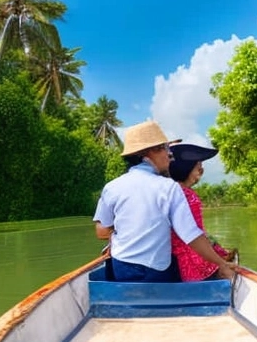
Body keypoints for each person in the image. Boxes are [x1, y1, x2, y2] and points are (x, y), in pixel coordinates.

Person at [93, 120, 236, 282]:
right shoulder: (169, 187)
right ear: (151, 152)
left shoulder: (112, 187)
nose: (169, 155)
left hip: (121, 269)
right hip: (155, 272)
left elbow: (101, 231)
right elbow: (191, 235)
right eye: (166, 148)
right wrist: (221, 263)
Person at [169, 143, 237, 281]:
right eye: (198, 169)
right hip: (189, 264)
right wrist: (220, 261)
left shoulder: (167, 191)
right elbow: (195, 235)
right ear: (187, 170)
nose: (200, 173)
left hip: (169, 259)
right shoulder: (187, 195)